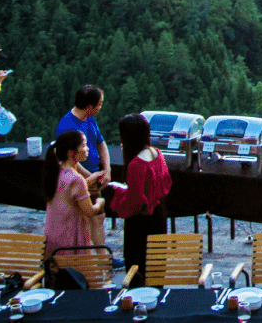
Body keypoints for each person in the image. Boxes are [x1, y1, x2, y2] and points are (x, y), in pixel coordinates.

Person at [110, 114, 172, 287]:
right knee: (156, 263)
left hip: (139, 222)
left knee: (137, 268)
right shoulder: (157, 153)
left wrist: (118, 198)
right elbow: (166, 183)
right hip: (158, 214)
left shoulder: (136, 165)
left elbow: (136, 202)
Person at [56, 85, 111, 251]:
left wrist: (107, 170)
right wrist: (91, 178)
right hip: (79, 178)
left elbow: (101, 143)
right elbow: (70, 159)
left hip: (94, 175)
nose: (100, 107)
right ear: (89, 107)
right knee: (84, 220)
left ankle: (103, 257)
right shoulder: (67, 126)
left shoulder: (89, 118)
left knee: (98, 218)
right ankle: (90, 258)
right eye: (99, 104)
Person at [43, 129, 105, 259]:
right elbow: (90, 211)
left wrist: (86, 182)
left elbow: (66, 191)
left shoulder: (56, 171)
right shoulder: (76, 179)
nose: (87, 149)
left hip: (54, 235)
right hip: (70, 238)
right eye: (83, 145)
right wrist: (100, 203)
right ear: (71, 153)